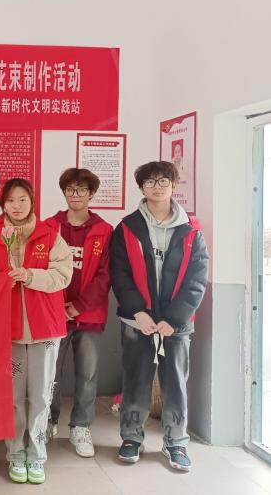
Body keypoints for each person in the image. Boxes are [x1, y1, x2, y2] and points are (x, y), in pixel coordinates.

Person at [111, 161, 208, 472]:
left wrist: (175, 319)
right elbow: (120, 274)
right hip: (137, 320)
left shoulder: (192, 229)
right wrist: (137, 311)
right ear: (141, 188)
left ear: (173, 185)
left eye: (163, 180)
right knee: (135, 379)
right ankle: (131, 437)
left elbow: (196, 279)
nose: (157, 186)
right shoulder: (127, 227)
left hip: (176, 323)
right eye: (150, 181)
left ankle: (176, 442)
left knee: (175, 381)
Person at [0, 178, 72, 485]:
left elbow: (63, 275)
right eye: (10, 200)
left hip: (45, 329)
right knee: (14, 398)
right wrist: (2, 280)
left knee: (42, 396)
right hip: (9, 331)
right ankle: (16, 454)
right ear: (3, 205)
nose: (17, 206)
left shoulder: (50, 235)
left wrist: (30, 276)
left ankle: (37, 455)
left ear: (32, 202)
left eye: (23, 199)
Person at [45, 168, 113, 457]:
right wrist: (58, 305)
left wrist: (78, 306)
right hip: (53, 313)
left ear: (91, 194)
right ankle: (48, 422)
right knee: (50, 372)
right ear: (63, 193)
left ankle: (81, 427)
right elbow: (42, 267)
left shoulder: (104, 230)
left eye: (82, 190)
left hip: (89, 315)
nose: (75, 195)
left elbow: (105, 276)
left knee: (87, 374)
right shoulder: (49, 226)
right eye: (70, 190)